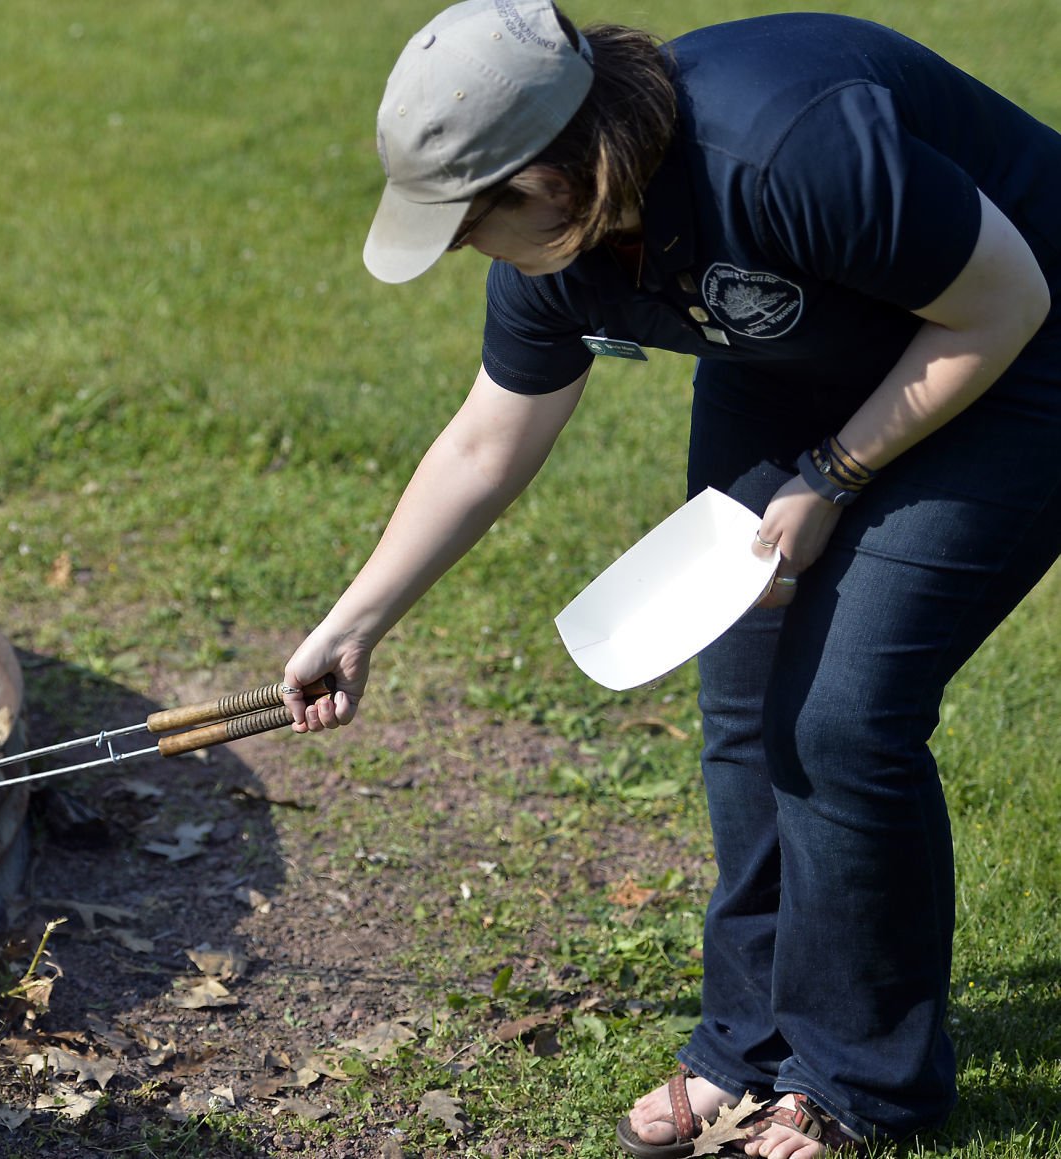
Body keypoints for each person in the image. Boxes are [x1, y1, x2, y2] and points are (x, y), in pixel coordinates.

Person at [278, 1, 1061, 1156]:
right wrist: (359, 621)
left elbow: (1007, 301)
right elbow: (487, 444)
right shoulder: (560, 249)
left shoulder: (789, 147)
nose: (456, 252)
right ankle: (748, 1040)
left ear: (549, 173)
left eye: (463, 223)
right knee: (744, 692)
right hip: (802, 355)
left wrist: (834, 474)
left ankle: (860, 1086)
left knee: (841, 719)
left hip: (1018, 346)